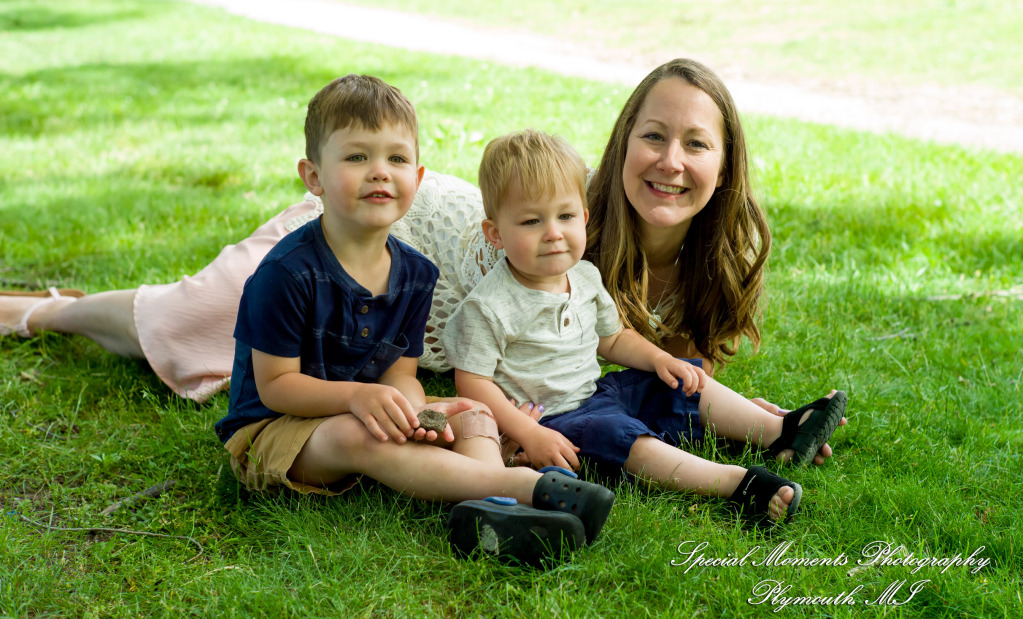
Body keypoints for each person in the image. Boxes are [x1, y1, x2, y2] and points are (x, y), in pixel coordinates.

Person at [0, 58, 842, 463]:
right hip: (374, 232)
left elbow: (647, 370)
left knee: (224, 354)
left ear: (725, 164)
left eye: (696, 143)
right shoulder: (570, 231)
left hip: (400, 310)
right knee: (185, 322)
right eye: (651, 135)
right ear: (620, 147)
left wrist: (756, 417)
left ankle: (76, 304)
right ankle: (48, 310)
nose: (669, 161)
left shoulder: (697, 261)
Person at [212, 74, 614, 567]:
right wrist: (360, 398)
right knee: (356, 435)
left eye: (396, 158)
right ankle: (518, 486)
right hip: (277, 432)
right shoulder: (287, 274)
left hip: (372, 414)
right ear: (313, 176)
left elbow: (401, 376)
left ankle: (490, 514)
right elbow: (276, 387)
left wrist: (412, 414)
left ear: (417, 179)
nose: (379, 172)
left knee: (472, 412)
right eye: (357, 157)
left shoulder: (416, 273)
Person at [442, 129, 847, 523]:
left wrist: (659, 359)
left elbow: (613, 337)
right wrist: (529, 435)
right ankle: (736, 484)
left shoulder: (583, 276)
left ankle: (780, 431)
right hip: (552, 421)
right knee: (619, 433)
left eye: (565, 216)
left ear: (583, 217)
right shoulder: (490, 305)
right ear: (495, 234)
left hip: (596, 393)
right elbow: (473, 386)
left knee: (674, 380)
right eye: (531, 222)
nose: (553, 233)